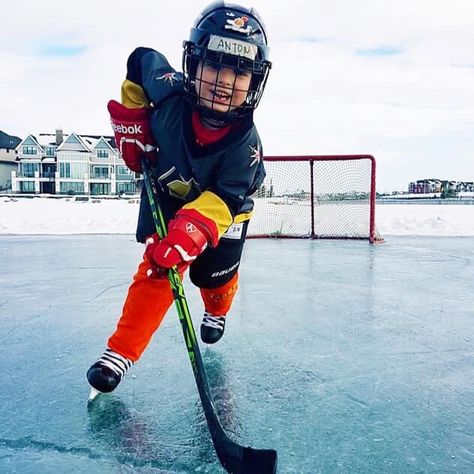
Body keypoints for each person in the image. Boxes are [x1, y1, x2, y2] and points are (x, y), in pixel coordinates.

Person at [87, 0, 272, 394]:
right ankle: (120, 351)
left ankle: (218, 309)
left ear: (255, 81)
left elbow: (222, 201)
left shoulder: (246, 147)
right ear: (194, 65)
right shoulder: (170, 98)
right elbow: (140, 61)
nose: (225, 81)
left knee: (212, 278)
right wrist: (132, 125)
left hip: (225, 213)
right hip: (170, 195)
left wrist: (186, 238)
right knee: (157, 266)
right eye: (215, 65)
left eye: (239, 72)